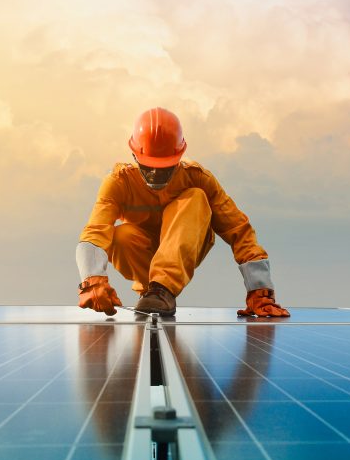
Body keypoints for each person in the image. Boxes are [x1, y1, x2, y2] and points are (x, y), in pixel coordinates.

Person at [76, 107, 290, 318]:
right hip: (143, 257)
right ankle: (152, 291)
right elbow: (95, 231)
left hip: (187, 244)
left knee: (196, 197)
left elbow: (238, 230)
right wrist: (91, 279)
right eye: (148, 167)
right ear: (134, 155)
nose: (155, 174)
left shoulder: (198, 178)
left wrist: (260, 290)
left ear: (179, 156)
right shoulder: (118, 183)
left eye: (164, 167)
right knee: (120, 235)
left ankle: (162, 289)